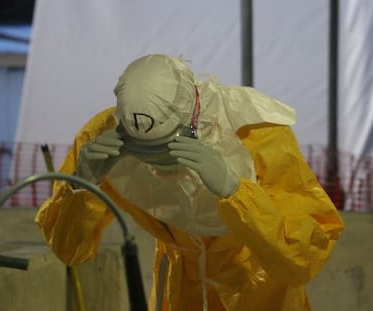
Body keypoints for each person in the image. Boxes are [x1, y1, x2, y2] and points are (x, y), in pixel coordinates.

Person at [35, 54, 345, 310]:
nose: (159, 164)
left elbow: (303, 259)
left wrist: (237, 192)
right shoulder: (102, 141)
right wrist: (80, 187)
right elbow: (69, 251)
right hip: (181, 291)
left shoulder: (255, 132)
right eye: (146, 153)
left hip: (262, 293)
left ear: (194, 117)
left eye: (166, 147)